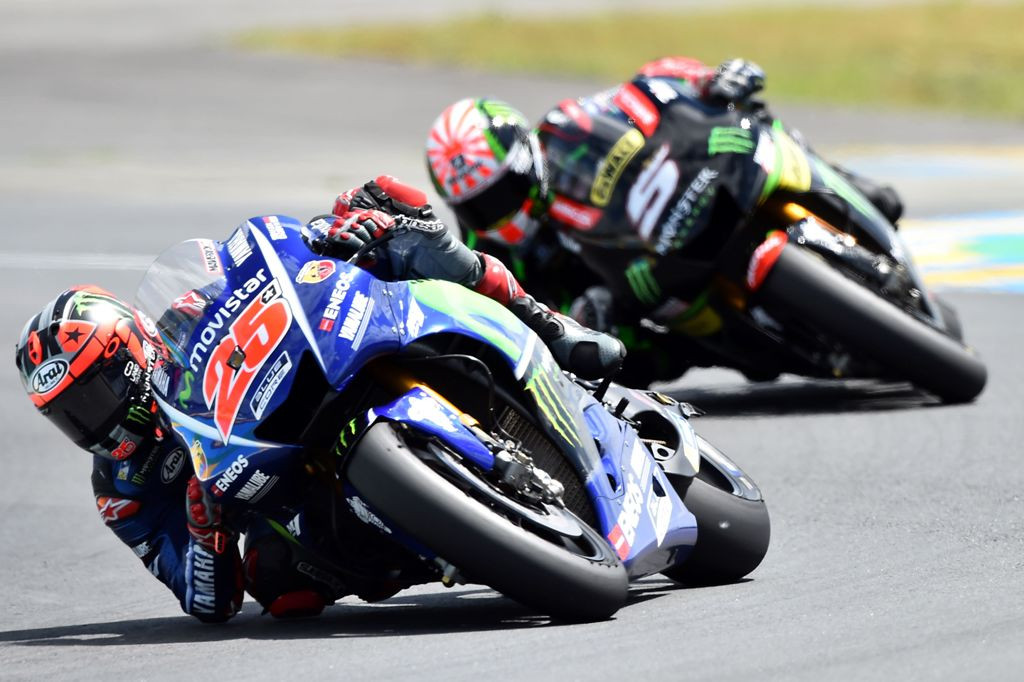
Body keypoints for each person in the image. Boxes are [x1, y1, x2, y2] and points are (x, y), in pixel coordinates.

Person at [14, 180, 624, 623]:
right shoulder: (122, 490)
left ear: (132, 351)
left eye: (95, 394)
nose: (93, 421)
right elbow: (205, 602)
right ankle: (443, 537)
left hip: (307, 376)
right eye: (70, 415)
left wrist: (328, 235)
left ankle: (547, 326)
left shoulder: (184, 317)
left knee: (391, 205)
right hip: (289, 494)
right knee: (277, 585)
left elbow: (266, 265)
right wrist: (205, 529)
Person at [425, 57, 905, 385]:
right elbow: (523, 324)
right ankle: (746, 344)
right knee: (702, 357)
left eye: (504, 192)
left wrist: (710, 79)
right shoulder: (490, 255)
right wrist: (578, 321)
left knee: (757, 121)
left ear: (526, 161)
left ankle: (848, 184)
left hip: (679, 210)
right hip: (643, 299)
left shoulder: (570, 130)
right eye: (481, 207)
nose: (499, 213)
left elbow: (645, 88)